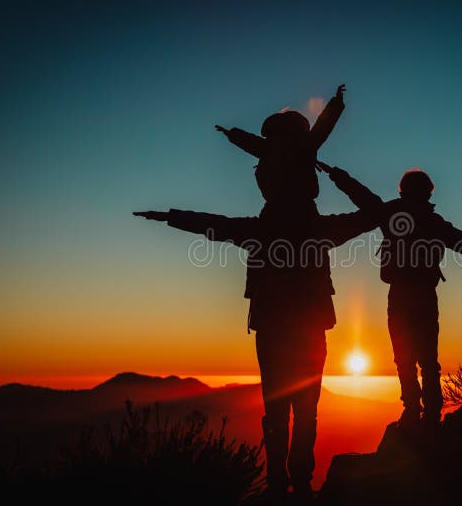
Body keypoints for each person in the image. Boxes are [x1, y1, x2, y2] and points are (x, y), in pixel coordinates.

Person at [133, 201, 395, 500]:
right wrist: (400, 205)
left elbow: (215, 224)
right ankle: (299, 483)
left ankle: (278, 483)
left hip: (273, 332)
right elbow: (363, 219)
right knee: (305, 412)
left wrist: (170, 217)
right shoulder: (318, 229)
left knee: (277, 413)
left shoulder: (261, 230)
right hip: (308, 332)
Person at [316, 161, 462, 428]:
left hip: (399, 295)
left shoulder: (391, 214)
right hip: (424, 296)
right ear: (428, 193)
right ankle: (431, 415)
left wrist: (336, 175)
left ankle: (412, 411)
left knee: (404, 358)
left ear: (402, 191)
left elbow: (361, 195)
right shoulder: (432, 221)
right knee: (427, 359)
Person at [215, 84, 346, 219]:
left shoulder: (271, 146)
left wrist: (231, 133)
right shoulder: (304, 143)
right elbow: (323, 126)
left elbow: (249, 141)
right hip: (298, 209)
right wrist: (336, 103)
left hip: (281, 209)